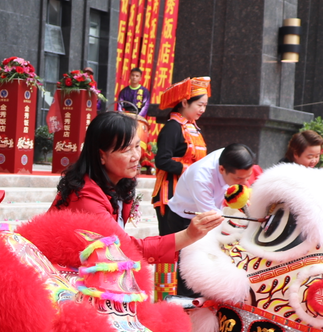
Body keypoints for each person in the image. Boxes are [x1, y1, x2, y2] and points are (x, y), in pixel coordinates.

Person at [52, 111, 221, 282]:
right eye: (126, 150)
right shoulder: (86, 198)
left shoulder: (117, 184)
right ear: (101, 155)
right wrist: (188, 235)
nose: (136, 157)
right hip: (64, 280)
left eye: (137, 146)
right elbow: (124, 247)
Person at [163, 143, 257, 296]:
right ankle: (190, 306)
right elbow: (212, 217)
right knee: (190, 268)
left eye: (247, 177)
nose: (244, 183)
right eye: (239, 178)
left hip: (209, 214)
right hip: (185, 218)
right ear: (222, 169)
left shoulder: (229, 157)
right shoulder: (201, 176)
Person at [150, 77, 210, 299]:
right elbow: (162, 161)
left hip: (188, 197)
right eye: (199, 105)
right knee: (169, 247)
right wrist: (190, 170)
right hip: (170, 195)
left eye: (204, 106)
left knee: (188, 247)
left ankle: (186, 294)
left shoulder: (193, 128)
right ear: (184, 102)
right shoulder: (172, 128)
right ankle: (165, 296)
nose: (202, 110)